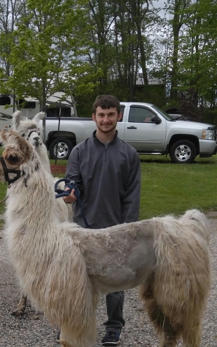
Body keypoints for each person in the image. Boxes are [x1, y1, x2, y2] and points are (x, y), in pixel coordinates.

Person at [62, 94, 141, 346]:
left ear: (118, 116)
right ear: (93, 116)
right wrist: (70, 193)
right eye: (101, 114)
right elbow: (72, 182)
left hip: (117, 229)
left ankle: (114, 326)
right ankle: (77, 325)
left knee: (115, 284)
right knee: (80, 282)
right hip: (84, 229)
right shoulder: (79, 151)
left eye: (110, 114)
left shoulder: (129, 155)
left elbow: (132, 196)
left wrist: (128, 230)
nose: (105, 119)